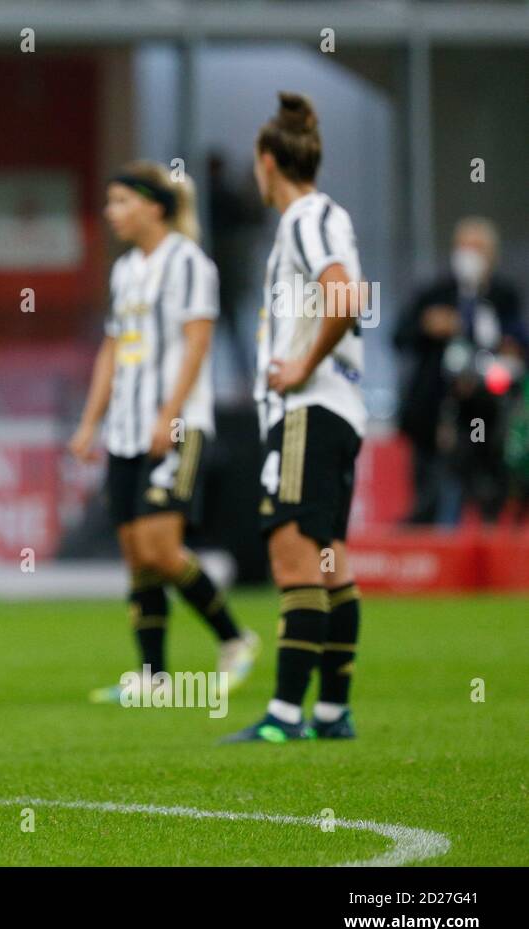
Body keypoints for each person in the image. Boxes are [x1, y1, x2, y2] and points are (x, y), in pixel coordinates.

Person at [70, 160, 259, 704]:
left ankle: (235, 637)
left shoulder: (189, 263)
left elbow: (198, 343)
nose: (111, 213)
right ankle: (153, 676)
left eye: (121, 202)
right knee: (136, 552)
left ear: (154, 207)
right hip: (125, 430)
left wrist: (168, 414)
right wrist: (90, 422)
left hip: (174, 425)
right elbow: (112, 349)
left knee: (160, 548)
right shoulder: (126, 270)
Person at [224, 92, 366, 743]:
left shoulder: (306, 217)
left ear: (267, 161)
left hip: (309, 411)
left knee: (294, 561)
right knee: (330, 561)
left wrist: (302, 364)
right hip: (338, 412)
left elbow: (345, 297)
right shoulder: (323, 217)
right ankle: (331, 712)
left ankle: (284, 715)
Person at [394, 217, 525, 524]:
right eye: (463, 246)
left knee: (484, 487)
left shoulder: (503, 296)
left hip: (484, 414)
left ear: (491, 254)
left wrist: (506, 348)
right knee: (431, 493)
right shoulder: (435, 293)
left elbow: (517, 343)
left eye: (476, 248)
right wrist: (427, 326)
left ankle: (484, 536)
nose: (468, 255)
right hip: (435, 413)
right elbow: (400, 337)